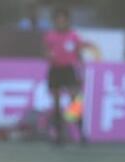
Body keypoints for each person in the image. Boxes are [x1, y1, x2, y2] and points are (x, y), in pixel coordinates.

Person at [43, 7, 93, 146]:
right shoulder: (50, 36)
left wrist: (81, 71)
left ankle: (81, 133)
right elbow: (46, 52)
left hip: (69, 70)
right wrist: (48, 56)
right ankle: (58, 135)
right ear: (55, 21)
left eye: (63, 20)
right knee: (57, 102)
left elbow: (79, 55)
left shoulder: (74, 36)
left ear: (67, 21)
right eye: (58, 20)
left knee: (75, 101)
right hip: (55, 70)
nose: (61, 23)